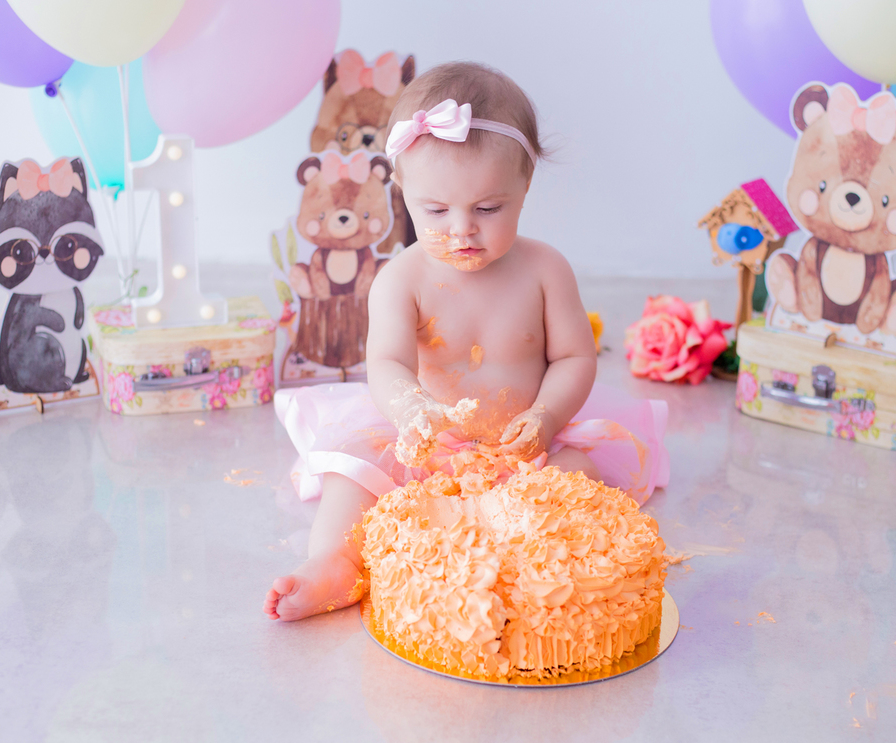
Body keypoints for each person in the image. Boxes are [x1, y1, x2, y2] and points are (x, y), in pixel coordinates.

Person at [265, 62, 668, 622]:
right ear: (402, 190)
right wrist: (412, 411)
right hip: (426, 440)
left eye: (488, 208)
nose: (462, 229)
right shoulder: (401, 279)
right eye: (435, 210)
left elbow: (574, 357)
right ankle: (334, 564)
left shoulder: (546, 270)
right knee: (353, 473)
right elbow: (386, 361)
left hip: (527, 443)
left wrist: (547, 416)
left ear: (524, 187)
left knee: (578, 474)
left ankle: (524, 563)